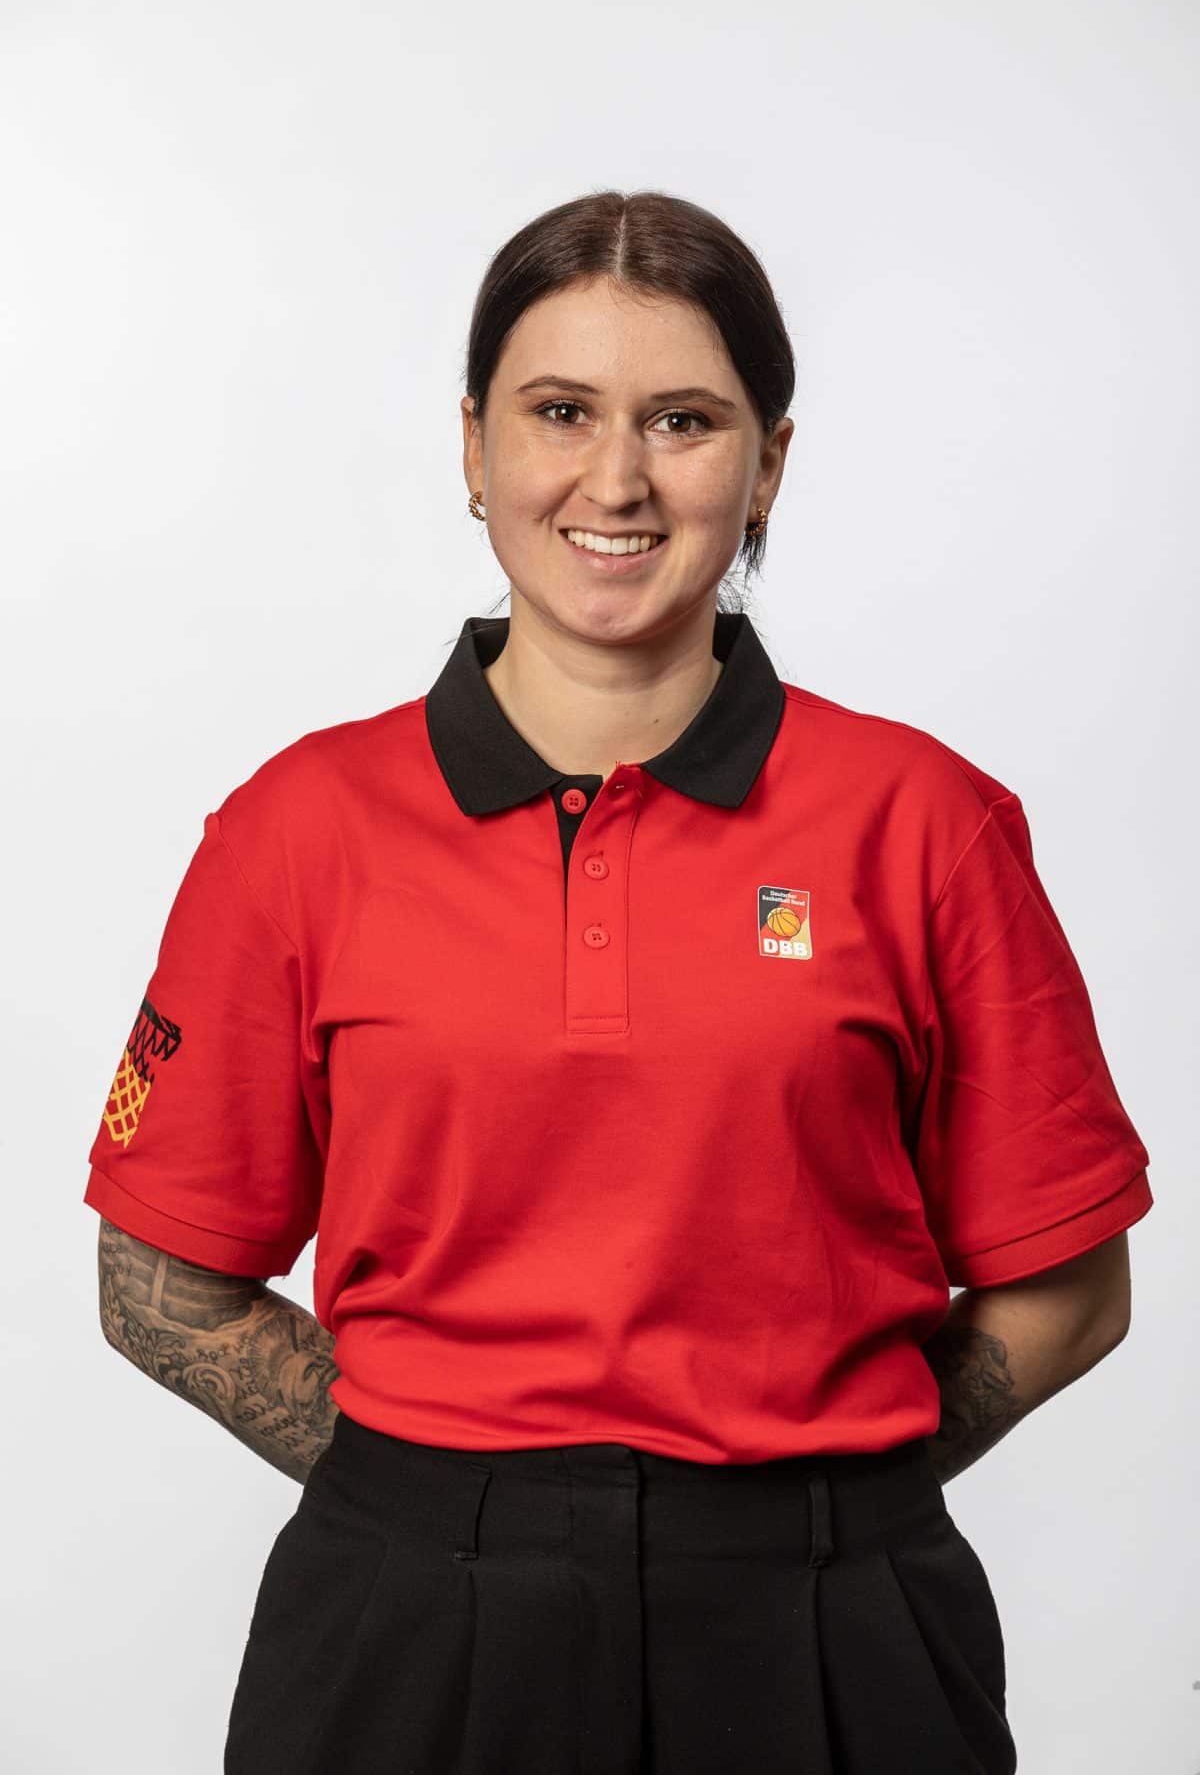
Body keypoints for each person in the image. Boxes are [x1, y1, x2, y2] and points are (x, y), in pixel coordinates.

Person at [86, 188, 1152, 1775]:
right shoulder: (298, 829)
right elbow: (155, 1281)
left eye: (683, 420)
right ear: (474, 448)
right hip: (411, 1618)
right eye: (560, 412)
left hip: (831, 1622)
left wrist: (822, 1485)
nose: (617, 479)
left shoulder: (926, 822)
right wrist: (436, 1496)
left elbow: (1070, 1286)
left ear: (768, 463)